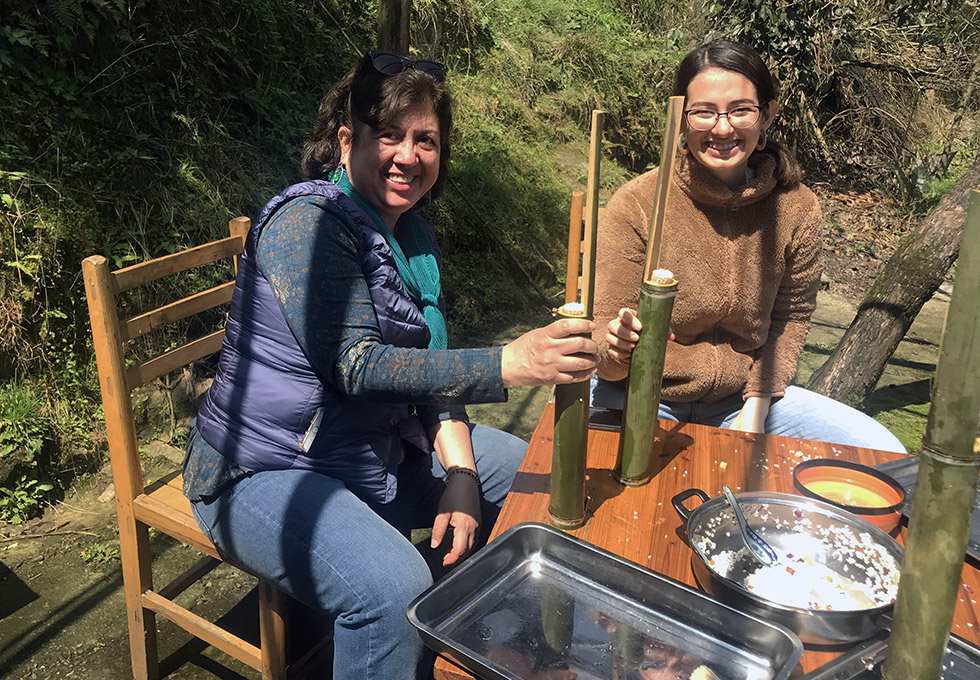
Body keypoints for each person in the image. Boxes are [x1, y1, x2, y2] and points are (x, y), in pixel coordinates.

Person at [182, 50, 598, 679]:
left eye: (426, 139)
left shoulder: (412, 240)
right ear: (347, 141)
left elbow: (428, 367)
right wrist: (509, 363)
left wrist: (459, 469)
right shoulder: (306, 223)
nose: (409, 155)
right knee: (389, 587)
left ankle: (461, 640)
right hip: (258, 470)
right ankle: (397, 626)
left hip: (365, 453)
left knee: (521, 472)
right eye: (389, 135)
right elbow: (357, 365)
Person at [592, 40, 905, 453]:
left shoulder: (797, 208)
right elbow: (603, 329)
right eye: (704, 112)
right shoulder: (636, 203)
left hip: (742, 396)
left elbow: (790, 318)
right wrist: (615, 348)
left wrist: (754, 413)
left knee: (879, 448)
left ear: (767, 114)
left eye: (740, 109)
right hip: (643, 392)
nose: (723, 128)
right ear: (680, 120)